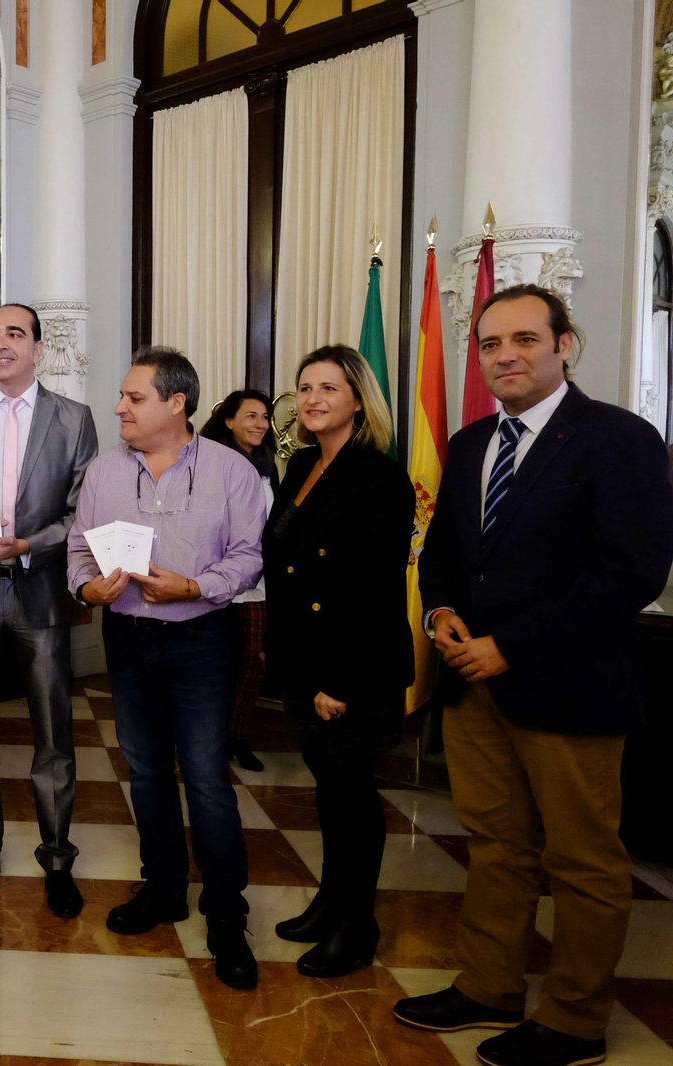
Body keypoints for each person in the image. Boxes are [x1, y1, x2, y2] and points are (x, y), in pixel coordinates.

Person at [394, 285, 673, 1066]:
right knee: (495, 845)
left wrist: (509, 646)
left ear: (564, 344)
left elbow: (631, 571)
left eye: (523, 339)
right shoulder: (471, 441)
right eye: (489, 344)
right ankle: (488, 985)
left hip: (569, 688)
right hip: (471, 684)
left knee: (582, 860)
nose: (504, 356)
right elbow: (444, 547)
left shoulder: (618, 439)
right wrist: (440, 613)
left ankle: (576, 1020)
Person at [66, 346, 265, 990]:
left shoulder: (231, 471)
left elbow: (248, 557)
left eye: (134, 398)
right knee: (146, 771)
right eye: (122, 397)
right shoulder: (103, 472)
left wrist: (196, 587)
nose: (119, 407)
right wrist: (84, 589)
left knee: (206, 777)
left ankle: (226, 914)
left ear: (176, 404)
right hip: (126, 637)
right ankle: (164, 888)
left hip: (201, 639)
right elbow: (79, 549)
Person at [262, 347, 414, 979]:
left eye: (329, 387)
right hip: (305, 661)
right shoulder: (299, 465)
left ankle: (358, 925)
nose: (313, 398)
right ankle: (331, 901)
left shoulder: (380, 477)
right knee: (328, 791)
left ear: (359, 398)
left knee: (353, 797)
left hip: (352, 668)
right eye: (304, 388)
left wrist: (339, 682)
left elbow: (372, 588)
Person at [0, 303, 98, 918]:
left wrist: (28, 546)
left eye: (14, 333)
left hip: (39, 591)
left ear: (38, 348)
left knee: (53, 734)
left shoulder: (74, 419)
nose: (0, 343)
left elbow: (80, 513)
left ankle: (57, 857)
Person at [200, 390, 280, 773]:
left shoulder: (268, 466)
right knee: (215, 664)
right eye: (251, 416)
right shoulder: (207, 463)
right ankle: (208, 741)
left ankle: (238, 736)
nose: (260, 424)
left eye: (265, 417)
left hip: (257, 584)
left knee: (252, 662)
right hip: (214, 581)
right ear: (228, 420)